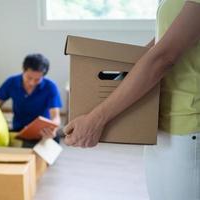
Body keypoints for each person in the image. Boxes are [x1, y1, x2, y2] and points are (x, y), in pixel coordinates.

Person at [63, 1, 200, 199]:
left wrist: (96, 119)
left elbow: (163, 58)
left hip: (188, 127)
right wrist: (121, 71)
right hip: (158, 124)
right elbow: (159, 45)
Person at [0, 53, 62, 145]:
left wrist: (52, 128)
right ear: (23, 70)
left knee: (55, 139)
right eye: (29, 77)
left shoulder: (50, 86)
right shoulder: (11, 82)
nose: (32, 82)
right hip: (19, 129)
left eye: (37, 79)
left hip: (41, 132)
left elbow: (56, 117)